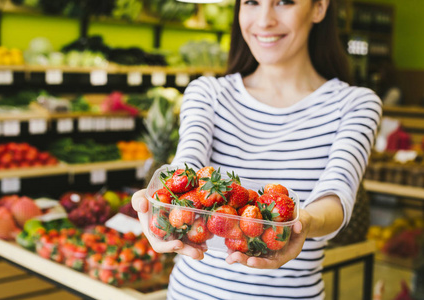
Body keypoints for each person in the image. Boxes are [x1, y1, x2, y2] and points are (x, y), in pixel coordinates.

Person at [132, 0, 382, 298]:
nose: (264, 20)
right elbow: (187, 166)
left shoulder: (355, 104)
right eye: (251, 2)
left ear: (319, 8)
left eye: (284, 2)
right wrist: (161, 203)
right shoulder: (208, 93)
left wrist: (301, 224)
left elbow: (337, 197)